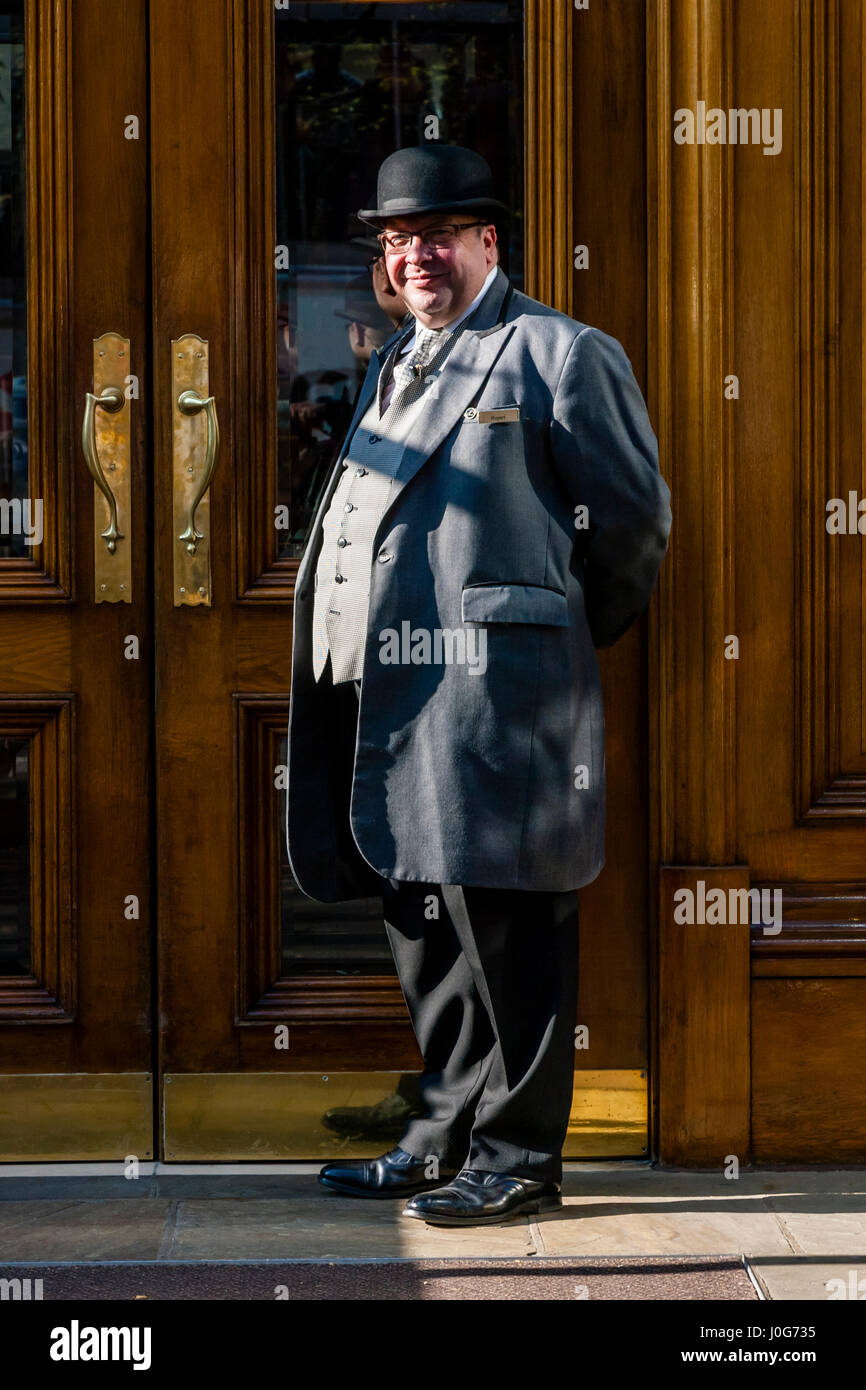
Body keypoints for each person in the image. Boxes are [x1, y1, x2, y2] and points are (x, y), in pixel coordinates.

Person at [285, 144, 672, 1227]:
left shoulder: (558, 353)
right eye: (398, 240)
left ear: (485, 243)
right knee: (422, 918)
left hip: (499, 699)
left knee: (505, 926)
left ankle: (517, 1155)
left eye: (437, 236)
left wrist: (543, 637)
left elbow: (631, 526)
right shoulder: (392, 361)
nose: (415, 255)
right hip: (386, 694)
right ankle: (440, 1135)